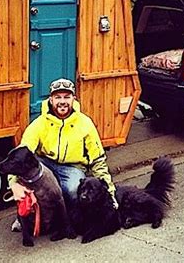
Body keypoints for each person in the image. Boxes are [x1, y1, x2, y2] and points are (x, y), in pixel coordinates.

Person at [9, 78, 117, 229]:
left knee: (74, 191)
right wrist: (13, 183)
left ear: (74, 99)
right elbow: (20, 156)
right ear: (51, 100)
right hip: (45, 164)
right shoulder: (39, 124)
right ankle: (24, 216)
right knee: (30, 178)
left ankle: (67, 219)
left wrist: (110, 194)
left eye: (67, 97)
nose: (62, 101)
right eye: (58, 97)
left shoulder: (85, 123)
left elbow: (98, 160)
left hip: (73, 168)